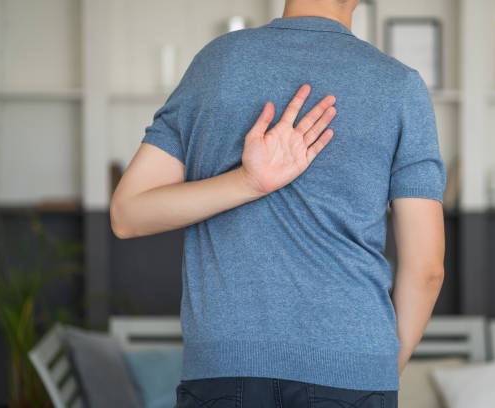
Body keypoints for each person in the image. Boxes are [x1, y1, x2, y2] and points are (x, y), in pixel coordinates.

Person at [110, 0, 447, 406]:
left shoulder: (218, 62)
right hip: (354, 370)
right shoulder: (399, 85)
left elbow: (128, 213)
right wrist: (378, 373)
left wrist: (244, 183)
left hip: (223, 366)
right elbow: (427, 270)